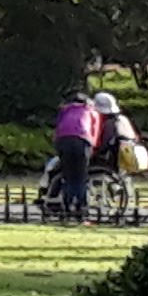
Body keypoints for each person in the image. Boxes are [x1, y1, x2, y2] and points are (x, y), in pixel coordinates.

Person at [47, 86, 102, 220]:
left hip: (63, 141)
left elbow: (58, 127)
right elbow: (94, 132)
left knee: (68, 175)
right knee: (80, 176)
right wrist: (93, 148)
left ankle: (67, 206)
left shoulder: (64, 110)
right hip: (82, 141)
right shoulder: (91, 111)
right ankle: (81, 207)